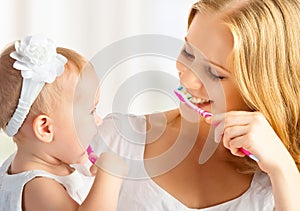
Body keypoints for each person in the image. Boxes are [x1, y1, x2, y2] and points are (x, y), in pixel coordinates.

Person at [91, 0, 300, 210]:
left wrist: (284, 170)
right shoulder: (117, 138)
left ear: (264, 88)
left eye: (214, 73)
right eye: (188, 53)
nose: (188, 80)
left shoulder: (280, 179)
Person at [0, 34, 128, 210]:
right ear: (45, 129)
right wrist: (110, 177)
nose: (98, 121)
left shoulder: (22, 162)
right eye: (91, 112)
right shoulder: (38, 187)